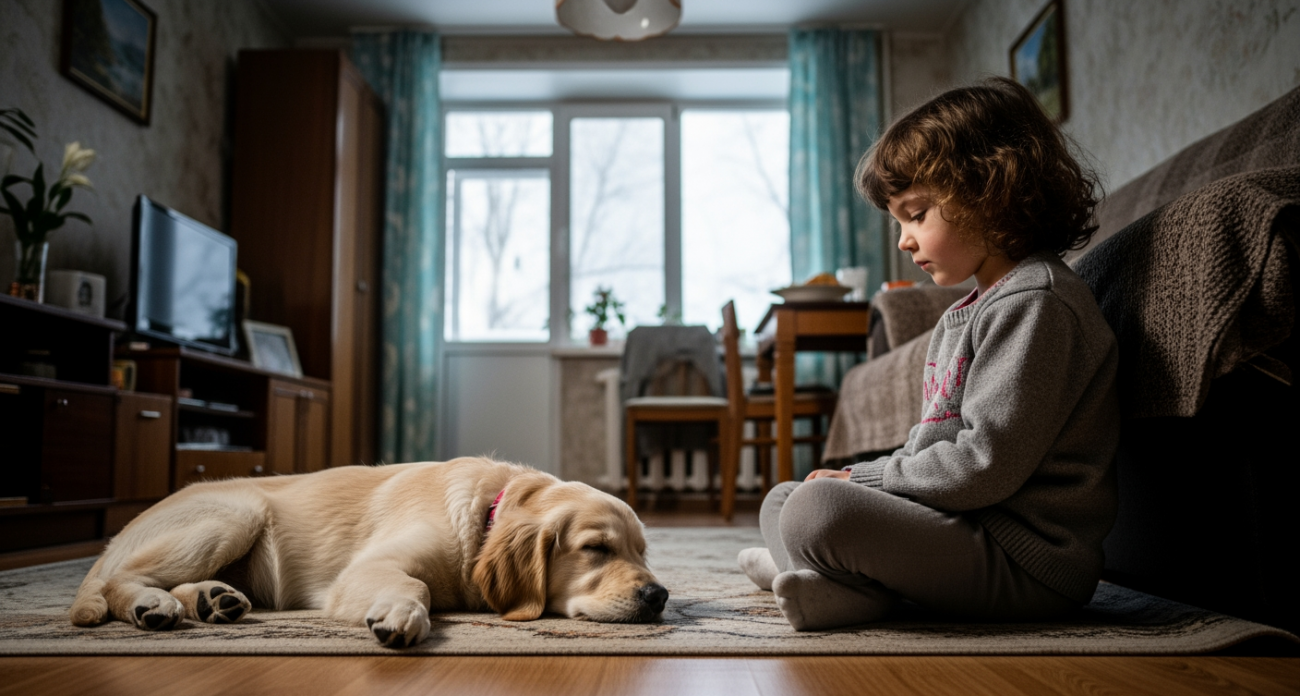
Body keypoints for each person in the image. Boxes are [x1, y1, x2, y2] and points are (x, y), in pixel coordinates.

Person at [738, 77, 1119, 631]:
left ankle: (834, 580)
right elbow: (931, 447)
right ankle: (843, 586)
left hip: (1027, 563)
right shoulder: (964, 312)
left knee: (817, 509)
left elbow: (981, 466)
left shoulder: (1037, 303)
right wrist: (855, 477)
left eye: (916, 214)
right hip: (968, 526)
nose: (902, 241)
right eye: (898, 221)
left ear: (993, 190)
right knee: (786, 497)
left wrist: (861, 483)